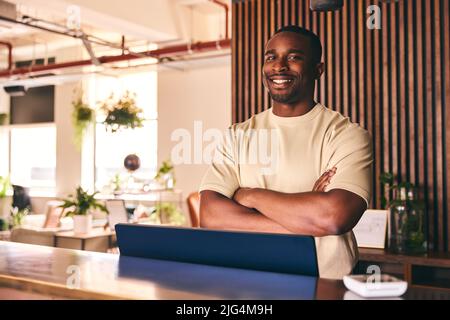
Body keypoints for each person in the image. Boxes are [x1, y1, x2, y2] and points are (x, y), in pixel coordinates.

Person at [199, 25, 373, 279]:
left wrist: (249, 196)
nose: (279, 66)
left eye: (293, 57)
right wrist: (303, 221)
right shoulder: (237, 135)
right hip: (249, 284)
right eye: (271, 57)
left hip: (324, 286)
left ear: (318, 70)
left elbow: (333, 216)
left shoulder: (346, 135)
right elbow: (210, 216)